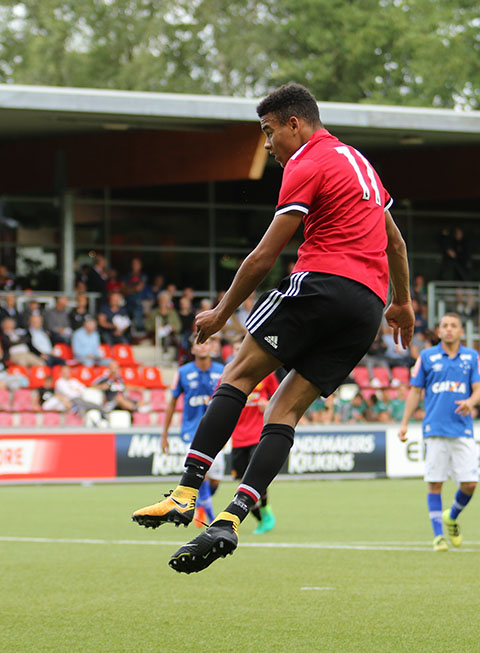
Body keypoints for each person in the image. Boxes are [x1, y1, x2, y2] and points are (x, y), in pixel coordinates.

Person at [131, 83, 413, 573]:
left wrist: (221, 312)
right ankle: (233, 518)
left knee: (237, 375)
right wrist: (403, 303)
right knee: (283, 410)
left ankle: (183, 494)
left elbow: (265, 254)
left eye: (267, 132)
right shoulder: (363, 165)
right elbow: (398, 245)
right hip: (366, 306)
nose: (266, 145)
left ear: (294, 124)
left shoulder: (308, 162)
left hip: (320, 285)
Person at [397, 313, 480, 551]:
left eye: (453, 326)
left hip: (461, 429)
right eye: (445, 325)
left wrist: (471, 402)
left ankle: (452, 517)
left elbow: (479, 389)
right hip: (434, 428)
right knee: (435, 483)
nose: (449, 329)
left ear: (461, 332)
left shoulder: (471, 357)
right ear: (438, 331)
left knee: (470, 483)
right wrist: (404, 422)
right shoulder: (427, 356)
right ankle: (438, 537)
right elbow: (415, 391)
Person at [158, 338, 226, 526]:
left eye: (207, 343)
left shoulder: (222, 371)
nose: (203, 346)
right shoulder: (183, 372)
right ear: (193, 348)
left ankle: (202, 505)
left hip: (216, 432)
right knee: (200, 473)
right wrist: (164, 435)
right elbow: (172, 403)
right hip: (192, 433)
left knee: (215, 481)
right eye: (199, 343)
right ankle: (212, 518)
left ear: (212, 347)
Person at [229, 350, 281, 533]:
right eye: (236, 350)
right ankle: (260, 517)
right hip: (237, 438)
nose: (239, 352)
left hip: (257, 435)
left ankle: (266, 511)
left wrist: (268, 404)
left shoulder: (266, 373)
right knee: (242, 484)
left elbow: (280, 398)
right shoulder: (229, 374)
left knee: (258, 478)